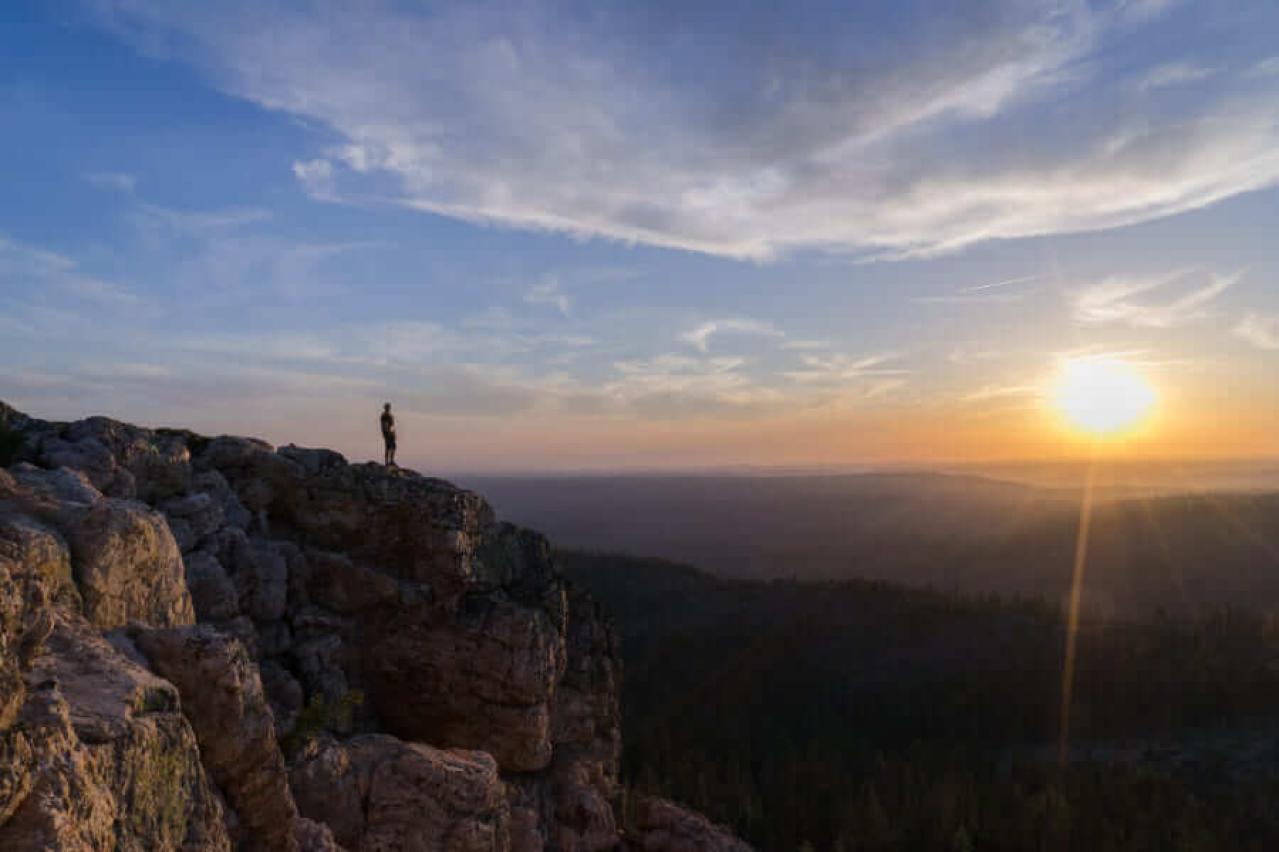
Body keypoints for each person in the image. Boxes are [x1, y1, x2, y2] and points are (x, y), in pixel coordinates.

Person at [380, 402, 396, 466]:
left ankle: (390, 461)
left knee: (392, 447)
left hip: (391, 433)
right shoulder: (385, 415)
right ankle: (388, 462)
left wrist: (393, 433)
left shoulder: (389, 415)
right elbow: (384, 425)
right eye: (388, 407)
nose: (389, 408)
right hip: (388, 434)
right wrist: (387, 433)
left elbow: (392, 425)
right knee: (389, 448)